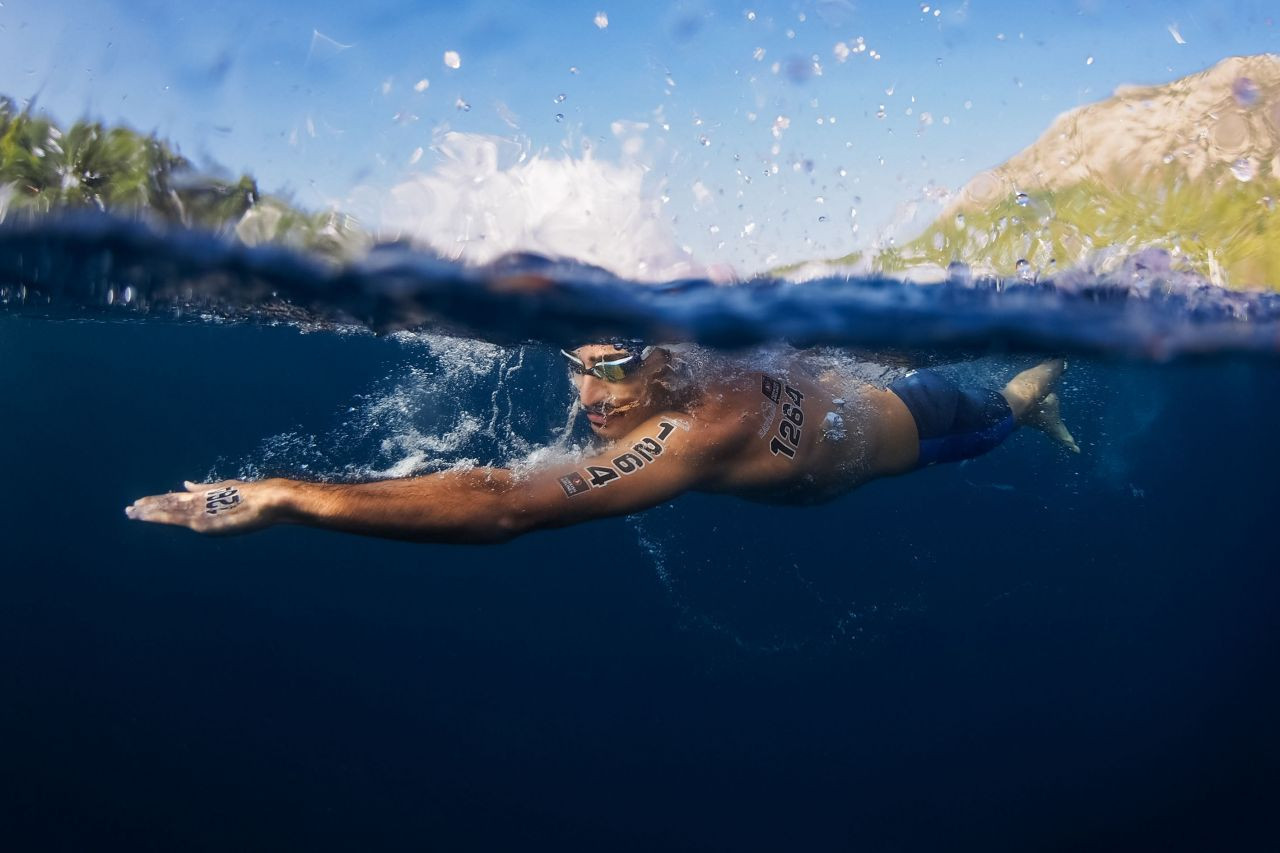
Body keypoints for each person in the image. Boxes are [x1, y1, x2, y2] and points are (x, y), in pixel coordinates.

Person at [126, 344, 1078, 542]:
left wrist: (297, 493)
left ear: (662, 368)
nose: (587, 395)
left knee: (1002, 417)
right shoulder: (695, 361)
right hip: (857, 395)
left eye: (610, 370)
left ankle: (1040, 385)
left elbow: (504, 500)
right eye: (575, 367)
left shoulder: (699, 429)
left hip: (921, 420)